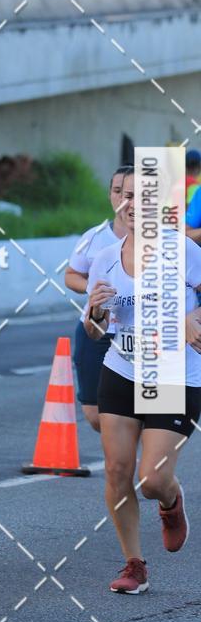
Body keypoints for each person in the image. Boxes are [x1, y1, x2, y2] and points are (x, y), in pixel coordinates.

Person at [86, 169, 201, 594]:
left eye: (142, 197)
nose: (133, 204)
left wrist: (194, 317)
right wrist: (95, 315)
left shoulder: (184, 252)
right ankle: (134, 564)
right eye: (126, 197)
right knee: (117, 470)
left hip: (174, 375)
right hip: (121, 369)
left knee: (151, 479)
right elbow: (96, 331)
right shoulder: (105, 259)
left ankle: (170, 501)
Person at [64, 165, 131, 432]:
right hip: (97, 329)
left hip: (139, 331)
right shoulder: (94, 237)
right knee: (94, 412)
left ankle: (139, 459)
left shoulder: (161, 240)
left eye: (130, 193)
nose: (122, 199)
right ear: (110, 195)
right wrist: (92, 290)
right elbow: (70, 275)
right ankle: (125, 452)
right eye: (117, 191)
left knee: (140, 411)